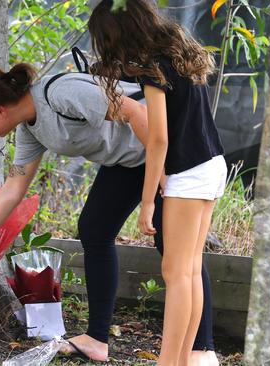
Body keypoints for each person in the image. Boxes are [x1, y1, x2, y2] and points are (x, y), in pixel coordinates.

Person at [0, 61, 216, 363]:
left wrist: (162, 174)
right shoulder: (30, 130)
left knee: (175, 247)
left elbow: (139, 113)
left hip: (164, 148)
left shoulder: (61, 93)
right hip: (128, 160)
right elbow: (12, 190)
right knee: (95, 229)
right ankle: (97, 340)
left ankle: (201, 351)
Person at [88, 1, 227, 365]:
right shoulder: (176, 49)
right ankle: (181, 360)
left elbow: (159, 139)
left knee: (177, 272)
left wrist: (148, 200)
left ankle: (168, 361)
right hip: (212, 164)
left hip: (190, 172)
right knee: (190, 269)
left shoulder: (152, 66)